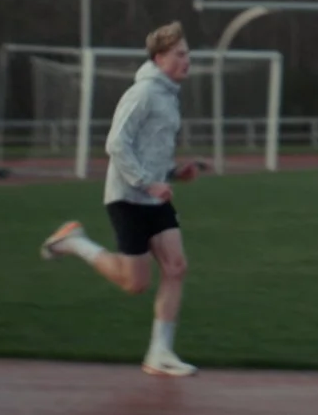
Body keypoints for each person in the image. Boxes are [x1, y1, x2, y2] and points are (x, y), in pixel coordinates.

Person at [39, 22, 211, 376]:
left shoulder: (168, 95)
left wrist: (176, 172)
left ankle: (159, 353)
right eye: (180, 54)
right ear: (160, 57)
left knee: (176, 268)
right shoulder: (143, 93)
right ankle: (74, 242)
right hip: (127, 198)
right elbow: (116, 144)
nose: (187, 60)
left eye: (188, 53)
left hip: (154, 197)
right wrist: (148, 183)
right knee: (135, 284)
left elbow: (152, 151)